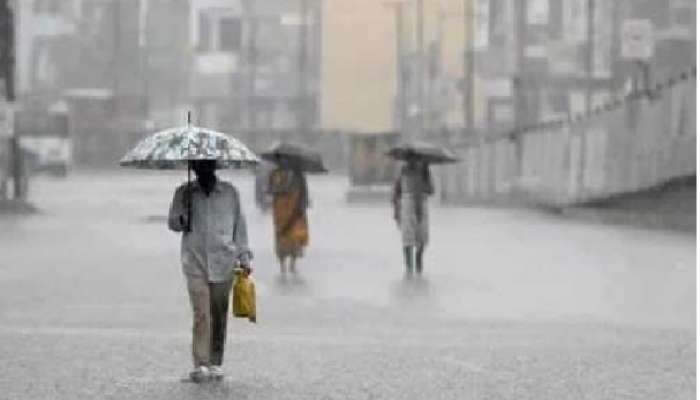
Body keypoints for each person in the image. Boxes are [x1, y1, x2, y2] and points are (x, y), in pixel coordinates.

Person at [168, 160, 252, 383]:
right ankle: (200, 363)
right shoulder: (184, 192)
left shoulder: (230, 193)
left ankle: (215, 361)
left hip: (224, 261)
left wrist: (244, 256)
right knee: (201, 314)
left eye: (206, 166)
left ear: (214, 167)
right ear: (193, 169)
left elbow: (239, 226)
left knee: (218, 314)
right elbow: (174, 224)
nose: (201, 171)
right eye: (197, 167)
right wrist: (182, 215)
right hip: (194, 261)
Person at [392, 158, 434, 277]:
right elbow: (397, 190)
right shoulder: (405, 171)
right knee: (410, 237)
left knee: (419, 237)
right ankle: (411, 266)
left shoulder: (424, 171)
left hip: (419, 204)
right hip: (409, 205)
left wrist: (425, 180)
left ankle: (415, 262)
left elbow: (431, 189)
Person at [267, 163, 309, 276]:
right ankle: (282, 264)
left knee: (295, 237)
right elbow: (269, 190)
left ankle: (293, 264)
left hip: (295, 210)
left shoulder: (298, 175)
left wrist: (302, 206)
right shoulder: (275, 174)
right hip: (280, 212)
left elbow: (304, 192)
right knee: (282, 237)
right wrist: (278, 189)